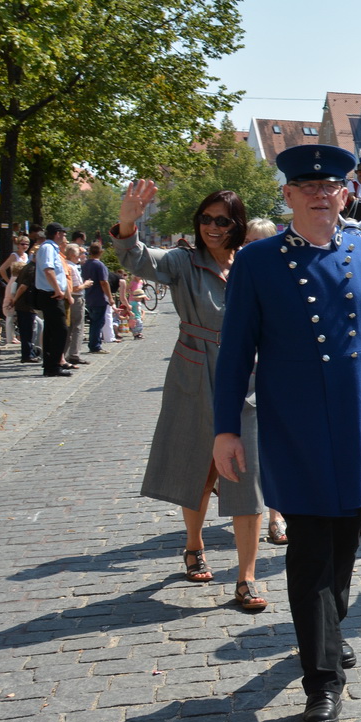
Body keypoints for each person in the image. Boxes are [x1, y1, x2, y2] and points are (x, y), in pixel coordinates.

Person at [214, 144, 361, 722]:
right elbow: (234, 353)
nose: (322, 194)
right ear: (289, 196)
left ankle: (328, 628)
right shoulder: (258, 261)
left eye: (332, 187)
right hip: (293, 426)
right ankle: (322, 678)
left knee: (348, 534)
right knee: (311, 550)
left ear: (347, 194)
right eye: (309, 187)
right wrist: (224, 428)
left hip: (357, 423)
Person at [114, 184, 269, 611]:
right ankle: (194, 543)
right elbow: (138, 258)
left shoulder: (253, 262)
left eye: (222, 220)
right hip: (194, 370)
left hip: (248, 377)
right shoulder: (184, 261)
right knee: (199, 468)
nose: (212, 228)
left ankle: (247, 576)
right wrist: (128, 221)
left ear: (237, 225)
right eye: (205, 219)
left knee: (247, 474)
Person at [32, 224, 73, 377]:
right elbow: (48, 270)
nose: (64, 236)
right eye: (63, 233)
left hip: (51, 294)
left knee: (51, 330)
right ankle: (53, 365)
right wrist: (57, 289)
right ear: (57, 234)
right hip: (51, 294)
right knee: (60, 330)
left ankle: (50, 365)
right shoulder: (48, 248)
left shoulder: (50, 248)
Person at [80, 243, 113, 355]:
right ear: (101, 252)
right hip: (99, 297)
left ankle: (93, 343)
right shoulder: (99, 265)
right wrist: (110, 297)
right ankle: (95, 345)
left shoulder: (85, 264)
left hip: (89, 296)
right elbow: (104, 282)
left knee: (94, 321)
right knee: (98, 322)